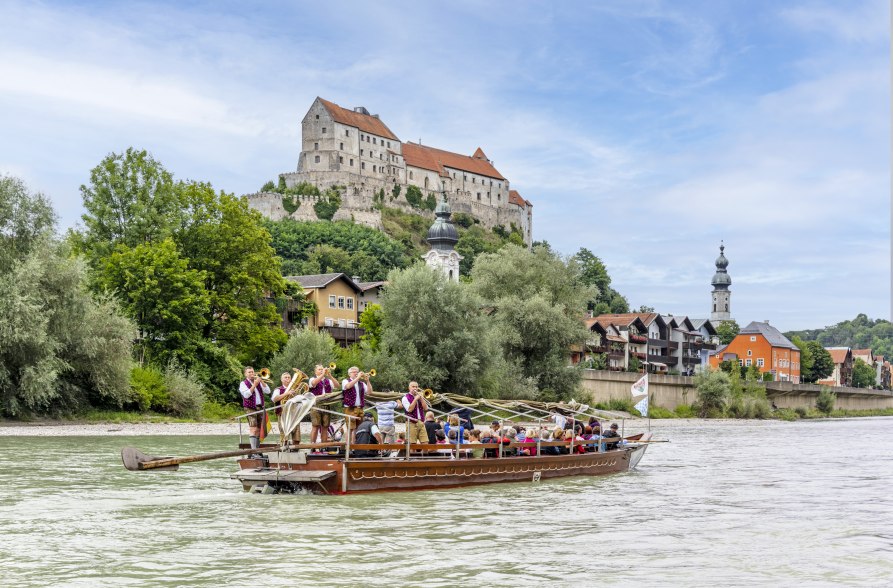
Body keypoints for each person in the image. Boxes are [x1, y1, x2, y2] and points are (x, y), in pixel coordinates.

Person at [239, 366, 271, 457]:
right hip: (250, 407)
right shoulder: (243, 383)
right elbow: (246, 395)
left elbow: (268, 391)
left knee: (259, 429)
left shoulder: (258, 381)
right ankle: (254, 452)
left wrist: (262, 381)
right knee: (253, 428)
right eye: (249, 372)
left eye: (252, 372)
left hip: (260, 407)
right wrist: (254, 385)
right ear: (245, 374)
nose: (252, 374)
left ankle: (256, 450)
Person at [308, 364, 338, 445]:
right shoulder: (312, 379)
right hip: (316, 405)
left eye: (322, 369)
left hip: (327, 405)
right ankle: (312, 446)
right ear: (315, 371)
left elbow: (337, 385)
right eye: (319, 369)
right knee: (315, 426)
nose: (321, 370)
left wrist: (330, 376)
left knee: (325, 427)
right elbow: (314, 383)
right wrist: (322, 375)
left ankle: (323, 446)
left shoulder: (329, 381)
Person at [342, 366, 371, 442]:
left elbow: (369, 392)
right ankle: (348, 447)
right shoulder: (345, 381)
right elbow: (348, 386)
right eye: (354, 372)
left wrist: (368, 381)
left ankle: (355, 446)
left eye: (357, 372)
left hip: (359, 408)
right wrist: (358, 377)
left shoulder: (361, 383)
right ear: (349, 374)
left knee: (358, 428)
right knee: (350, 428)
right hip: (349, 407)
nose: (356, 373)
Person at [271, 371, 300, 445]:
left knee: (296, 435)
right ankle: (284, 450)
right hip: (282, 414)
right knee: (284, 434)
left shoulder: (295, 389)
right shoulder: (278, 389)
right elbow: (274, 399)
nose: (287, 379)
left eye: (289, 377)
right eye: (285, 377)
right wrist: (287, 393)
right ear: (281, 380)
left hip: (294, 414)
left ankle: (295, 451)